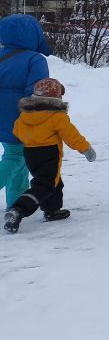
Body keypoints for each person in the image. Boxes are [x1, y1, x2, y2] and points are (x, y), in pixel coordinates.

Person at [4, 77, 95, 233]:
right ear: (56, 98)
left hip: (30, 153)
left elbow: (17, 131)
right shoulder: (57, 116)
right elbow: (71, 136)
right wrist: (86, 149)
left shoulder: (25, 115)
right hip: (48, 153)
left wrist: (32, 138)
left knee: (54, 182)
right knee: (44, 185)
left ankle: (52, 210)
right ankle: (18, 210)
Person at [0, 14, 51, 209]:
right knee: (15, 157)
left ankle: (15, 202)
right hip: (18, 117)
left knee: (16, 156)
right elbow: (37, 92)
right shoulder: (35, 59)